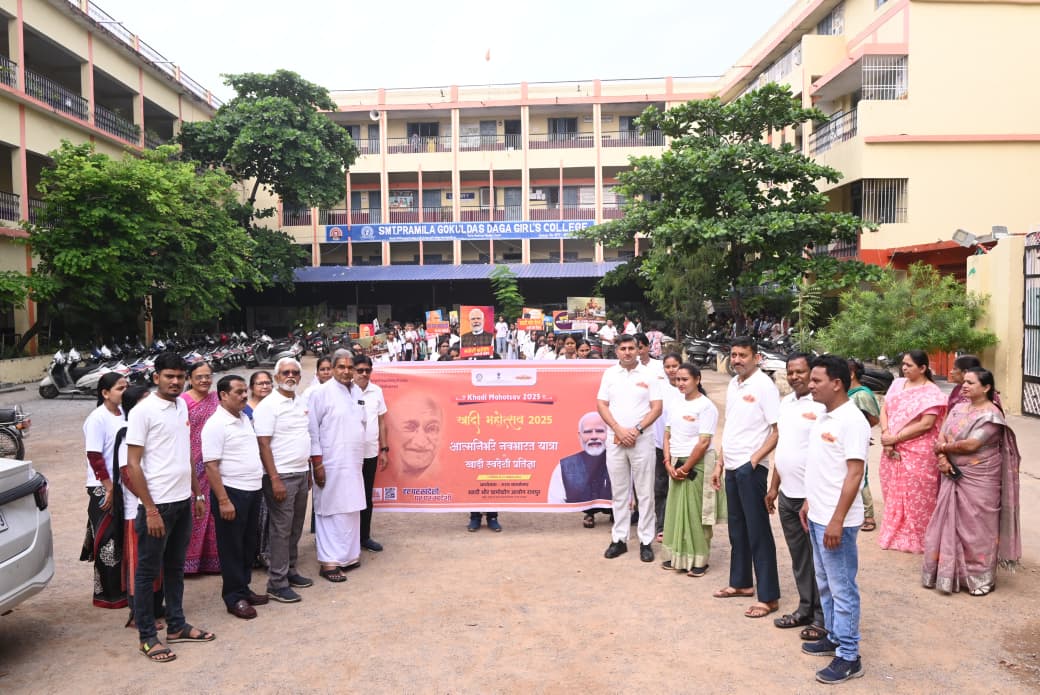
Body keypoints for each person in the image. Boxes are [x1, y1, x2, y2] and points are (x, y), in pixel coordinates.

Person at [125, 352, 215, 663]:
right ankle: (147, 637)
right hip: (157, 506)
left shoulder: (181, 407)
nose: (175, 382)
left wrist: (197, 494)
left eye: (179, 376)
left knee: (176, 567)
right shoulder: (143, 411)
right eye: (169, 376)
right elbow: (133, 464)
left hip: (182, 501)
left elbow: (185, 451)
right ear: (156, 377)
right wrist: (150, 509)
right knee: (148, 572)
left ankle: (176, 626)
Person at [799, 355, 870, 685]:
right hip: (818, 514)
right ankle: (834, 636)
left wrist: (837, 520)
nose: (810, 385)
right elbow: (824, 467)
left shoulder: (852, 421)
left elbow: (855, 474)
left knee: (842, 588)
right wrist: (809, 502)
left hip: (836, 521)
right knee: (825, 582)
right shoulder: (825, 416)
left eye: (817, 380)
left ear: (837, 383)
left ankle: (849, 656)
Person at [923, 367, 1021, 596]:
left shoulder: (991, 415)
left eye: (970, 383)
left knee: (977, 527)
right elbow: (941, 434)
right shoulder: (957, 408)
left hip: (980, 479)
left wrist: (942, 448)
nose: (964, 386)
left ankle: (979, 577)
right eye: (964, 382)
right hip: (951, 472)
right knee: (948, 522)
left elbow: (972, 444)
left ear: (986, 387)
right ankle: (948, 574)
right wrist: (942, 458)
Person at [710, 336, 781, 620]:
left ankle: (769, 596)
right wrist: (720, 463)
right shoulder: (733, 384)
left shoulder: (764, 385)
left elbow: (777, 430)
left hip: (751, 469)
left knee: (758, 531)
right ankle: (741, 583)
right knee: (737, 528)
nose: (737, 360)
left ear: (756, 357)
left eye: (743, 355)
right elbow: (731, 427)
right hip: (731, 465)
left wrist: (754, 459)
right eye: (734, 355)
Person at [765, 354, 827, 640]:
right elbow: (784, 449)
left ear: (812, 373)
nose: (794, 377)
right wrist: (773, 487)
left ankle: (822, 617)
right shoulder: (787, 403)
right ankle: (805, 608)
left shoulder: (822, 406)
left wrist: (811, 496)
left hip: (811, 499)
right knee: (799, 558)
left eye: (800, 372)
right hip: (788, 495)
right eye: (790, 372)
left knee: (819, 561)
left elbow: (823, 455)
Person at [202, 375, 266, 620]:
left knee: (248, 544)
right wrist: (223, 500)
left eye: (245, 391)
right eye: (238, 392)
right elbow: (211, 466)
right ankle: (233, 597)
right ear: (223, 395)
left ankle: (244, 588)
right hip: (231, 492)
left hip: (252, 490)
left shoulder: (244, 418)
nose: (244, 396)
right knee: (231, 547)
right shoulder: (216, 424)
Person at [596, 334, 663, 562]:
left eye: (631, 348)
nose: (627, 352)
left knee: (645, 492)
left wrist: (636, 430)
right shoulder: (609, 374)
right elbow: (601, 404)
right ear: (616, 351)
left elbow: (657, 408)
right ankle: (619, 539)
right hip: (615, 439)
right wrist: (618, 429)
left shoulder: (649, 374)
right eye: (623, 348)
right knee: (619, 492)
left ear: (638, 350)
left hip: (641, 440)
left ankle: (646, 541)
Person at [254, 357, 314, 604]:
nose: (290, 376)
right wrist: (274, 478)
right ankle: (276, 583)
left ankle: (290, 570)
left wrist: (308, 471)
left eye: (295, 372)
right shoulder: (268, 405)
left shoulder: (300, 401)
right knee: (280, 529)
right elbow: (263, 444)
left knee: (295, 526)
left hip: (300, 472)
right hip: (281, 476)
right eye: (285, 372)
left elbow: (304, 436)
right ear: (277, 377)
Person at [878, 350, 946, 553]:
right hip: (891, 446)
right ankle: (896, 532)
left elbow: (926, 424)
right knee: (892, 488)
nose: (904, 368)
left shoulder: (931, 393)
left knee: (918, 493)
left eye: (909, 365)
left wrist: (896, 438)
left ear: (923, 368)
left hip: (918, 450)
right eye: (903, 364)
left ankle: (919, 536)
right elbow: (884, 409)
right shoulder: (897, 384)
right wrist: (886, 434)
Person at [308, 349, 367, 582]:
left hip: (353, 461)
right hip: (330, 462)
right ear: (332, 369)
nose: (346, 371)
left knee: (351, 507)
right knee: (330, 509)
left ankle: (348, 557)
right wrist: (317, 463)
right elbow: (312, 430)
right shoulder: (320, 393)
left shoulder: (357, 392)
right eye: (341, 367)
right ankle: (329, 562)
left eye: (350, 367)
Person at [660, 363, 722, 576]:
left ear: (697, 379)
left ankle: (699, 560)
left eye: (685, 379)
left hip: (698, 464)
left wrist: (685, 469)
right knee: (676, 511)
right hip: (675, 463)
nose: (680, 383)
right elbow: (667, 434)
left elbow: (704, 442)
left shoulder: (706, 406)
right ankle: (676, 557)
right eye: (678, 379)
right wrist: (668, 463)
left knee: (696, 513)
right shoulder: (675, 403)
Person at [115, 385, 164, 630]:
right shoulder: (127, 435)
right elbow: (128, 474)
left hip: (157, 505)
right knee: (140, 564)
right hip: (139, 510)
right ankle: (138, 614)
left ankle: (155, 608)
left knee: (157, 561)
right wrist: (150, 502)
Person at [81, 372, 130, 609]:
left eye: (126, 387)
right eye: (120, 388)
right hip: (103, 487)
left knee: (123, 537)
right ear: (105, 393)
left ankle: (125, 588)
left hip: (124, 485)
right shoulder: (97, 418)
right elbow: (94, 455)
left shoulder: (126, 414)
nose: (124, 391)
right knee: (107, 541)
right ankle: (108, 595)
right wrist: (109, 487)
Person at [179, 361, 220, 575]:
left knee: (214, 512)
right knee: (196, 509)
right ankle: (188, 561)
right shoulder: (182, 402)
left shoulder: (217, 398)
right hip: (191, 463)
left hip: (214, 462)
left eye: (207, 376)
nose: (204, 380)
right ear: (190, 379)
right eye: (199, 377)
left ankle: (212, 560)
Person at [546, 411, 612, 525]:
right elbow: (555, 503)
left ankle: (615, 513)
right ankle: (589, 514)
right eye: (588, 432)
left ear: (609, 433)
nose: (594, 436)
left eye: (600, 431)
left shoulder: (619, 460)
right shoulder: (564, 467)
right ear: (580, 436)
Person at [353, 354, 389, 552]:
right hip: (349, 455)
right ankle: (349, 540)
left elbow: (382, 422)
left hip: (371, 453)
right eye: (360, 370)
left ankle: (364, 537)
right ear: (353, 371)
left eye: (367, 370)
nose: (364, 374)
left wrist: (384, 449)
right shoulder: (346, 391)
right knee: (349, 496)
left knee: (366, 496)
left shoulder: (377, 391)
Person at [846, 359, 880, 533]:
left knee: (861, 476)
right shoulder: (847, 392)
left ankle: (868, 515)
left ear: (851, 374)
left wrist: (861, 431)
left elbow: (874, 418)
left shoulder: (862, 394)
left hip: (857, 440)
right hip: (845, 439)